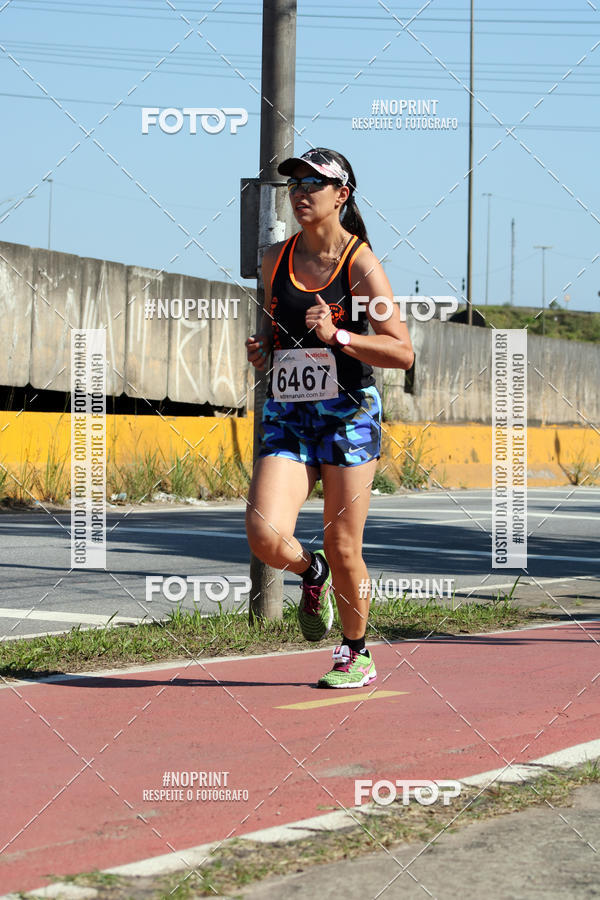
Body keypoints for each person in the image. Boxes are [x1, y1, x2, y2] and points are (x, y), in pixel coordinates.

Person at [245, 147, 414, 688]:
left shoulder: (360, 265)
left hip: (348, 414)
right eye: (294, 184)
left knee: (345, 545)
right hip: (290, 412)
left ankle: (355, 651)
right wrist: (264, 349)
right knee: (264, 533)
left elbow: (401, 351)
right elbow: (275, 330)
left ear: (341, 195)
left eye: (313, 184)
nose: (300, 193)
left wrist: (338, 335)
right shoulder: (275, 260)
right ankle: (307, 570)